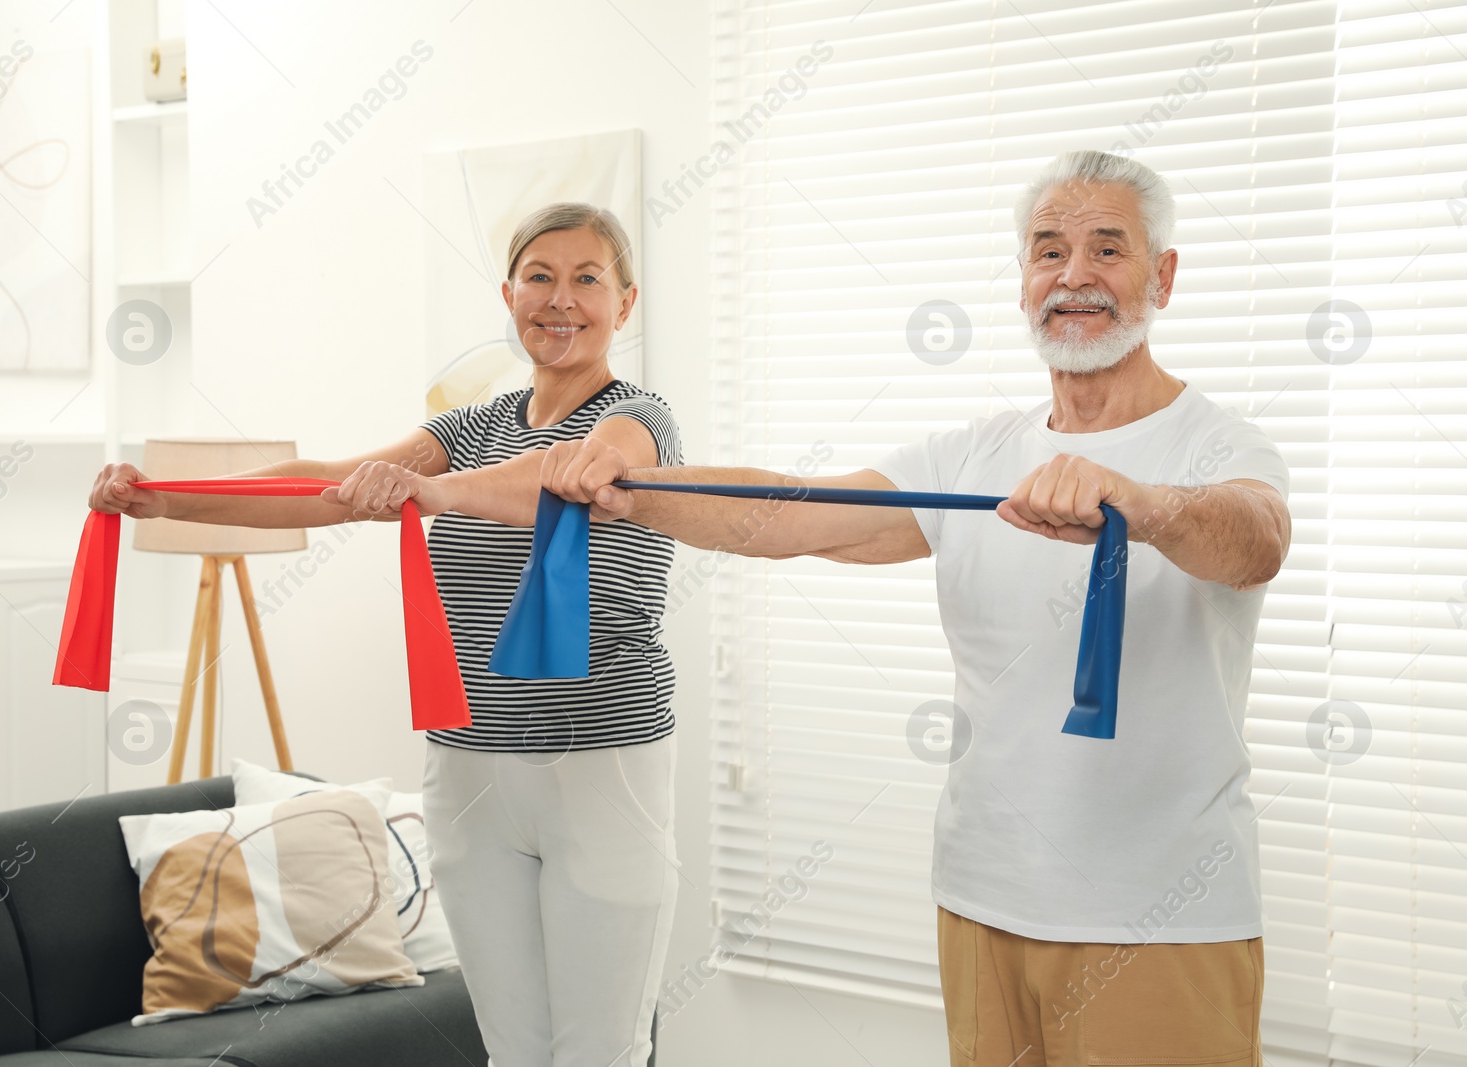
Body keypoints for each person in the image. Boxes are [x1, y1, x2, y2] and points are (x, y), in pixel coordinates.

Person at [540, 152, 1289, 1065]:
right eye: (1048, 252)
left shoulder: (1218, 442)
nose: (1074, 275)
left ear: (1162, 276)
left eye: (1108, 249)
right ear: (1023, 283)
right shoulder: (972, 454)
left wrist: (1145, 503)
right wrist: (634, 490)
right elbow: (789, 515)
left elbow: (1256, 540)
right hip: (983, 900)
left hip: (1163, 916)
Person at [88, 202, 682, 1067]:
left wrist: (435, 492)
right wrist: (161, 496)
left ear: (625, 304)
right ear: (510, 294)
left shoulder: (638, 420)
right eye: (540, 277)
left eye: (587, 278)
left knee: (599, 1051)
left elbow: (569, 477)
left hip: (602, 764)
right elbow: (325, 483)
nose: (562, 299)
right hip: (470, 772)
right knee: (514, 1050)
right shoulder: (470, 427)